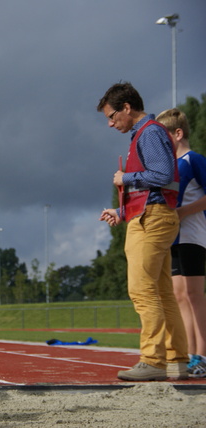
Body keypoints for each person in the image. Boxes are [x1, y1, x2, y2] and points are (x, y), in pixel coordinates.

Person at [97, 82, 189, 381]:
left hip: (152, 220)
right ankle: (176, 360)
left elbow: (162, 175)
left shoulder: (148, 132)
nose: (111, 124)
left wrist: (125, 177)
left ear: (127, 108)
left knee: (143, 291)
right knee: (162, 293)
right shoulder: (148, 133)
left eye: (112, 116)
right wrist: (122, 212)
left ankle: (153, 361)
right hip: (155, 215)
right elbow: (156, 188)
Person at [157, 108, 206, 378]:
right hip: (174, 238)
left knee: (194, 296)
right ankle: (189, 355)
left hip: (192, 236)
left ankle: (203, 355)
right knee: (179, 297)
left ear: (178, 134)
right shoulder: (171, 168)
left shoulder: (193, 160)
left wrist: (183, 212)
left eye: (165, 138)